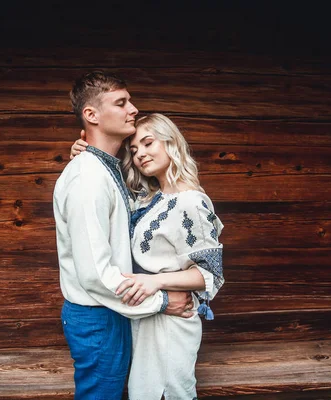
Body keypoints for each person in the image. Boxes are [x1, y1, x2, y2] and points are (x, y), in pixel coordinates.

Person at [53, 71, 195, 400]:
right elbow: (94, 274)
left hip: (116, 309)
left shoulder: (105, 169)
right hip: (98, 314)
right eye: (121, 102)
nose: (133, 108)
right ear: (91, 115)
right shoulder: (88, 177)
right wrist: (162, 301)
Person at [71, 113, 224, 400]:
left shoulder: (191, 201)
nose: (140, 153)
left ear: (171, 142)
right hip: (148, 316)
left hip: (172, 323)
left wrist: (155, 283)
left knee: (170, 392)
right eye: (134, 150)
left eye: (148, 143)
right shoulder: (151, 199)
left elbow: (210, 275)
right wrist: (86, 154)